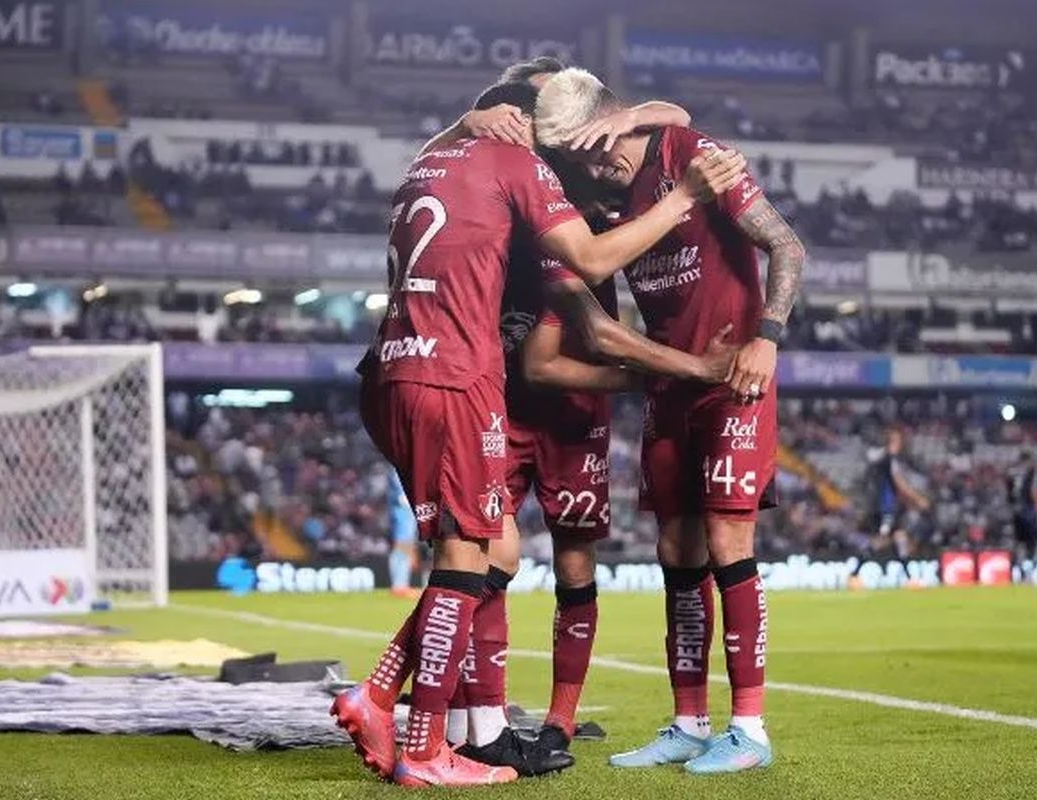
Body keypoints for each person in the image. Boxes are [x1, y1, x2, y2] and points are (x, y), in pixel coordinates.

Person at [332, 79, 746, 788]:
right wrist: (684, 200)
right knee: (467, 562)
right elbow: (588, 270)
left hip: (390, 371)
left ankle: (401, 704)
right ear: (535, 128)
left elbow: (665, 115)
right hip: (456, 377)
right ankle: (421, 740)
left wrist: (465, 116)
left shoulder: (433, 160)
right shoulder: (519, 167)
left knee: (494, 554)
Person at [535, 67, 808, 774]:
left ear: (619, 119)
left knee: (725, 539)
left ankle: (749, 729)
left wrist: (766, 337)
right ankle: (689, 722)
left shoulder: (688, 153)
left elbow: (788, 244)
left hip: (735, 385)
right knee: (676, 554)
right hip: (669, 392)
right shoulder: (596, 202)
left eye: (601, 146)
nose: (599, 164)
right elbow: (592, 323)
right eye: (581, 158)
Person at [867, 427, 930, 559]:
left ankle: (908, 577)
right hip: (884, 507)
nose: (900, 444)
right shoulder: (887, 459)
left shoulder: (887, 459)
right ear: (890, 442)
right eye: (897, 441)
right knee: (881, 540)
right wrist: (918, 499)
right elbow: (899, 482)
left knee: (900, 536)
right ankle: (854, 573)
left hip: (889, 505)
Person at [387, 466, 421, 599]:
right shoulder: (401, 464)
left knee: (404, 543)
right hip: (404, 506)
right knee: (403, 543)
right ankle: (399, 585)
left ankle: (400, 584)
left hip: (403, 505)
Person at [1008, 450, 1037, 569]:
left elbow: (1009, 495)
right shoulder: (1032, 473)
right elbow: (1034, 491)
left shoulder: (1012, 474)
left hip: (1016, 512)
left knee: (1019, 543)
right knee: (1034, 542)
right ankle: (1029, 569)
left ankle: (1020, 568)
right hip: (1028, 511)